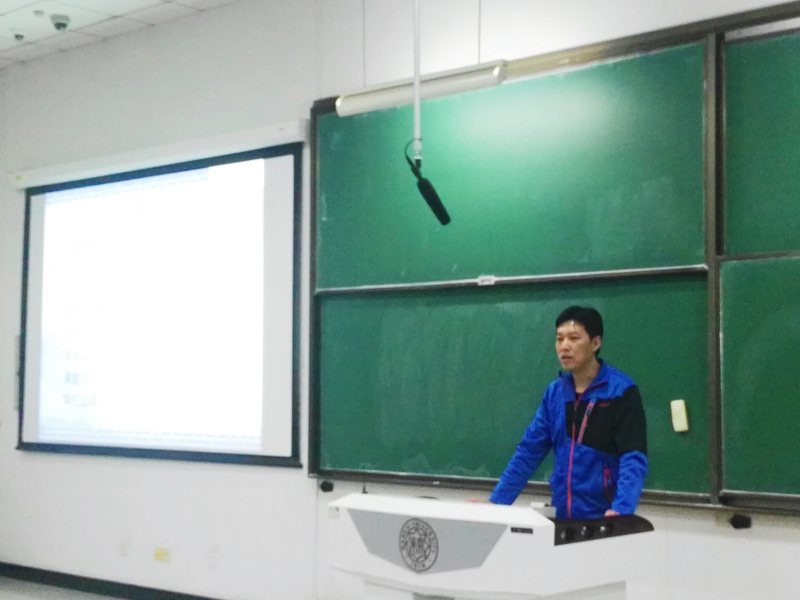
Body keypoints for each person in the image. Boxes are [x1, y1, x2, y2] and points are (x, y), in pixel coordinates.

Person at [489, 306, 647, 519]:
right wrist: (496, 504)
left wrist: (622, 509)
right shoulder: (555, 393)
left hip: (606, 517)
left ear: (595, 343)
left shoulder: (621, 391)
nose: (564, 346)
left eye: (573, 338)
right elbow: (529, 451)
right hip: (562, 514)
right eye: (559, 339)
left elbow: (633, 456)